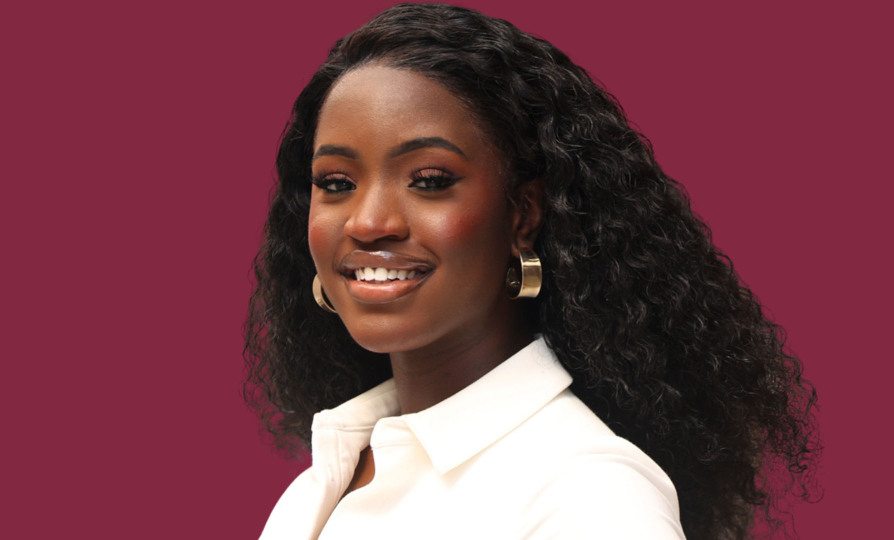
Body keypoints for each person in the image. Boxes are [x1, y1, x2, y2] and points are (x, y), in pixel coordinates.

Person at [244, 3, 820, 539]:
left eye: (430, 181)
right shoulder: (329, 476)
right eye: (337, 184)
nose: (368, 222)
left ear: (523, 215)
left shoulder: (589, 495)